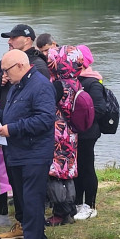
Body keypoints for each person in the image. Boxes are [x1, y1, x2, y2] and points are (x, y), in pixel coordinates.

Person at [0, 50, 56, 239]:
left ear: (21, 65)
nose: (4, 75)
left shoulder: (40, 86)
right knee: (23, 201)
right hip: (17, 152)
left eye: (6, 70)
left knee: (32, 201)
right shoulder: (16, 85)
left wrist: (11, 129)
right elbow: (15, 112)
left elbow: (45, 120)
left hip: (34, 154)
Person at [45, 46, 82, 227]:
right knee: (68, 172)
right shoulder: (76, 82)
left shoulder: (58, 85)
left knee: (55, 173)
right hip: (72, 134)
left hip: (58, 133)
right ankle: (70, 209)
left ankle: (60, 212)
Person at [73, 46, 108, 221]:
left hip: (88, 133)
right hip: (75, 132)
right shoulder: (75, 80)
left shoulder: (92, 82)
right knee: (77, 167)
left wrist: (81, 119)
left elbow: (100, 108)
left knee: (87, 167)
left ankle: (91, 205)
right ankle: (78, 203)